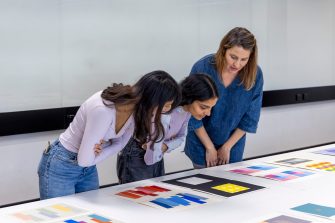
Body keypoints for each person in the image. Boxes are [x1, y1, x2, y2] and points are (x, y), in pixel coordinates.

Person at [37, 70, 180, 199]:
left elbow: (120, 144)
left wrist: (98, 152)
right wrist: (94, 154)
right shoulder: (103, 109)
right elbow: (84, 160)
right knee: (61, 215)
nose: (167, 110)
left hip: (88, 167)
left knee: (89, 213)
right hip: (62, 163)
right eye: (166, 105)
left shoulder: (137, 111)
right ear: (152, 99)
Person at [115, 73, 218, 184]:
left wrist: (164, 146)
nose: (208, 113)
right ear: (190, 98)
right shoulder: (165, 109)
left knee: (155, 192)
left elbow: (181, 137)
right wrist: (159, 145)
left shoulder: (187, 113)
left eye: (211, 108)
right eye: (203, 107)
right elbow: (156, 136)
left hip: (156, 154)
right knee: (137, 193)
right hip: (137, 153)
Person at [184, 27, 264, 169]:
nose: (237, 64)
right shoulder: (203, 67)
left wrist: (227, 147)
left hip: (233, 144)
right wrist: (209, 147)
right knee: (203, 186)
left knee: (230, 185)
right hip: (201, 142)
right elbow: (191, 110)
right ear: (223, 50)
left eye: (244, 59)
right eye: (233, 57)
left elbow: (250, 118)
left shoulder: (255, 75)